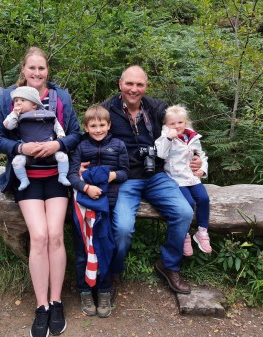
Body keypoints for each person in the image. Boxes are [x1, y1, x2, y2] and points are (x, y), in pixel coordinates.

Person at [0, 46, 82, 337]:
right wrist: (20, 147)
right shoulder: (9, 98)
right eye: (32, 68)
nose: (37, 73)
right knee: (39, 236)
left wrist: (58, 145)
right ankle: (41, 306)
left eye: (42, 68)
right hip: (26, 178)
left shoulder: (61, 99)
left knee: (55, 235)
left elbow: (76, 134)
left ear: (47, 71)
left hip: (56, 177)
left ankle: (57, 302)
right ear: (24, 70)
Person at [101, 65, 202, 295]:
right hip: (125, 178)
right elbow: (93, 140)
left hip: (157, 175)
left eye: (139, 84)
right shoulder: (107, 110)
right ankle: (114, 272)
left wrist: (195, 158)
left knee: (184, 212)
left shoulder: (157, 108)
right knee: (123, 229)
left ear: (146, 87)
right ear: (120, 84)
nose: (134, 89)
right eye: (129, 83)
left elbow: (184, 132)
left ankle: (168, 264)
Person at [67, 104, 129, 318]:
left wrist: (110, 176)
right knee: (82, 251)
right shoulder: (81, 147)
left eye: (102, 124)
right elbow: (71, 175)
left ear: (109, 125)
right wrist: (86, 187)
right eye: (93, 125)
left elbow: (124, 172)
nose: (98, 129)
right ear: (86, 126)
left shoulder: (119, 145)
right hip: (84, 207)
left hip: (107, 206)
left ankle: (104, 290)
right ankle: (85, 290)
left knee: (105, 247)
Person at [155, 105, 211, 256]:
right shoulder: (165, 138)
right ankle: (184, 235)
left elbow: (202, 156)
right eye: (172, 123)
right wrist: (168, 137)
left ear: (185, 122)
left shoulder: (192, 137)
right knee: (189, 203)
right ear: (166, 125)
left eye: (180, 122)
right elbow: (160, 154)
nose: (176, 126)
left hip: (192, 177)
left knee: (204, 199)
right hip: (175, 179)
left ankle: (202, 232)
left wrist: (202, 169)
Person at [3, 86, 71, 191]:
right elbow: (8, 126)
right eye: (16, 100)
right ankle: (23, 179)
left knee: (62, 157)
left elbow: (56, 124)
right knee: (16, 162)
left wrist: (60, 135)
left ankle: (62, 176)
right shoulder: (17, 117)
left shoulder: (46, 114)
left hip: (49, 150)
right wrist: (14, 113)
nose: (18, 103)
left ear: (34, 104)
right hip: (28, 152)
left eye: (22, 100)